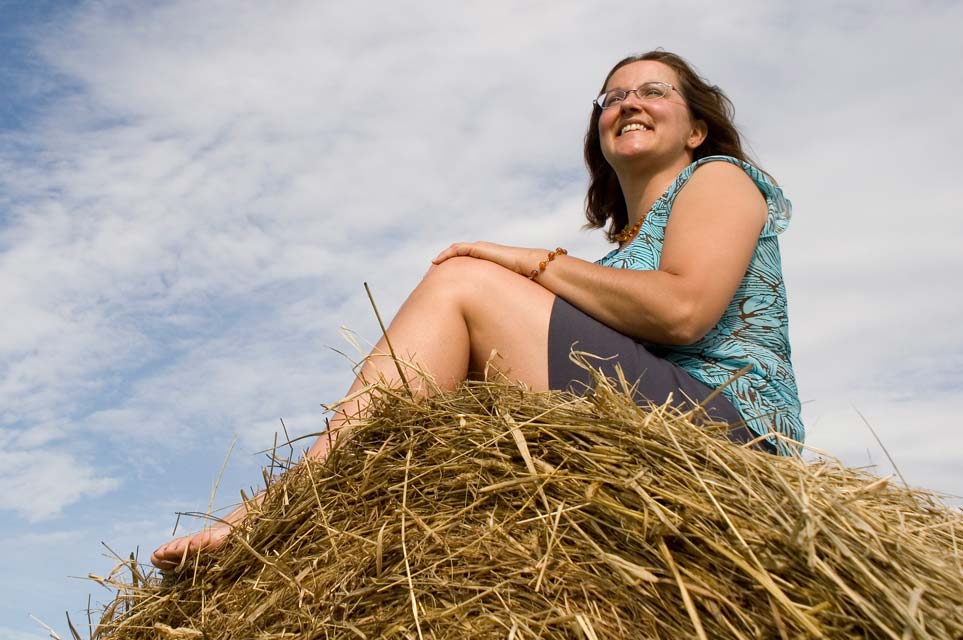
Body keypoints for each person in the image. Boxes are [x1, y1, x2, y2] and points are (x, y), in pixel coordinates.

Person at [151, 50, 802, 570]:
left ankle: (290, 501)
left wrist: (531, 261)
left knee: (463, 283)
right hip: (652, 431)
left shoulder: (718, 178)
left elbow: (682, 311)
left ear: (695, 129)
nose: (628, 102)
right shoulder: (612, 265)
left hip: (731, 444)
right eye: (611, 98)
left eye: (653, 91)